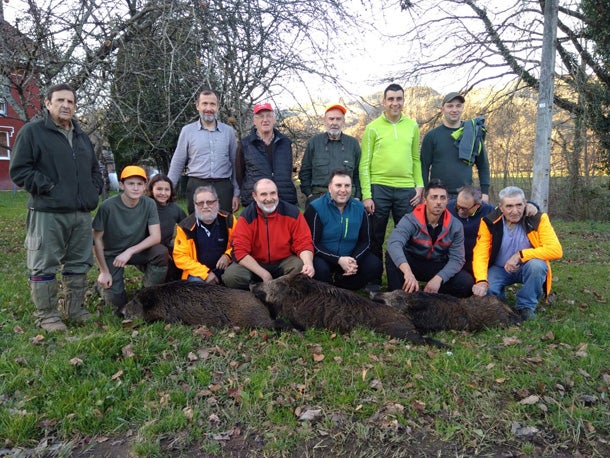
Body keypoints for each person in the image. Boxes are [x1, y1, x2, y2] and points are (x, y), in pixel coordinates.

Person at [9, 83, 103, 332]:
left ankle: (74, 310)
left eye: (70, 102)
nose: (66, 105)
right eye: (60, 100)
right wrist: (50, 188)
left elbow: (95, 169)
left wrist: (94, 190)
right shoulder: (33, 132)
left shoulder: (82, 137)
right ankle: (47, 315)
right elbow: (20, 170)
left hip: (80, 214)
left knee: (78, 264)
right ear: (47, 103)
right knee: (44, 264)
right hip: (47, 212)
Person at [359, 83, 424, 288]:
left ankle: (401, 280)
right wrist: (367, 194)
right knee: (375, 235)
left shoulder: (412, 126)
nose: (395, 103)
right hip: (379, 187)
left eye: (399, 99)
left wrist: (420, 186)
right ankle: (374, 279)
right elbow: (364, 164)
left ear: (403, 100)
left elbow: (415, 159)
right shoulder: (372, 128)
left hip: (406, 188)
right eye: (391, 99)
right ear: (384, 101)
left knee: (406, 235)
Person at [471, 186, 563, 321]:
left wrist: (520, 255)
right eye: (509, 206)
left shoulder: (538, 219)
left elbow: (556, 250)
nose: (515, 211)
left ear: (525, 203)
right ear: (500, 207)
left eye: (519, 205)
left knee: (538, 266)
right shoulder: (489, 222)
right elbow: (480, 253)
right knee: (488, 290)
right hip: (499, 268)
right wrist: (481, 280)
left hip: (527, 266)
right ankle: (501, 304)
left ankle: (526, 306)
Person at [93, 166, 169, 309]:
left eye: (140, 184)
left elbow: (155, 236)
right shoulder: (107, 207)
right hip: (113, 255)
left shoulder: (149, 204)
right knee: (116, 303)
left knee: (161, 252)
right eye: (131, 184)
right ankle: (100, 286)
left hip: (136, 251)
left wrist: (130, 251)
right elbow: (95, 239)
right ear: (122, 185)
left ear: (145, 186)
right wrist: (103, 271)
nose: (135, 188)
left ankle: (148, 293)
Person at [386, 179, 473, 297]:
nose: (438, 202)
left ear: (447, 201)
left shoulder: (455, 226)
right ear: (425, 200)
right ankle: (398, 296)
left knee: (466, 282)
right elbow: (393, 243)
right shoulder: (411, 219)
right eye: (434, 197)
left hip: (437, 264)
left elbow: (457, 259)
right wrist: (407, 272)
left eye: (442, 198)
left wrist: (439, 278)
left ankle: (431, 295)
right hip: (412, 262)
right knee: (392, 254)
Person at [222, 178, 314, 289]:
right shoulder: (247, 217)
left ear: (277, 194)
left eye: (273, 193)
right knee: (231, 276)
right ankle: (252, 297)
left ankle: (286, 297)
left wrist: (308, 263)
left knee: (300, 267)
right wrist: (264, 274)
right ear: (255, 196)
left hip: (283, 261)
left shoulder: (292, 213)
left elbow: (303, 242)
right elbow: (239, 251)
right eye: (263, 194)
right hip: (255, 263)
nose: (269, 199)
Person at [304, 170, 382, 291]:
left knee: (374, 265)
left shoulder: (360, 208)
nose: (343, 190)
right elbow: (313, 243)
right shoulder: (315, 208)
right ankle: (327, 288)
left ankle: (342, 284)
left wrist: (353, 261)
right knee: (320, 270)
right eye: (338, 185)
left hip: (350, 256)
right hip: (324, 257)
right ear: (330, 187)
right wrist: (338, 259)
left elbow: (366, 241)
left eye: (347, 185)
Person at [168, 88, 240, 214]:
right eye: (204, 103)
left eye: (212, 104)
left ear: (218, 107)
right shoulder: (187, 131)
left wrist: (237, 193)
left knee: (224, 227)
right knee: (196, 227)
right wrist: (167, 189)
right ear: (197, 106)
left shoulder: (228, 132)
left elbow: (235, 163)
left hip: (223, 187)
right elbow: (178, 162)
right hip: (196, 186)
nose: (208, 108)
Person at [421, 92, 491, 201]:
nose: (454, 110)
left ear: (462, 108)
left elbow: (483, 165)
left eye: (458, 106)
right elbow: (424, 167)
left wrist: (485, 192)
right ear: (442, 109)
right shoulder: (432, 136)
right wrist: (425, 192)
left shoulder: (472, 134)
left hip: (465, 196)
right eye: (450, 106)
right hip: (438, 196)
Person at [236, 102, 298, 207]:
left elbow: (288, 170)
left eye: (269, 116)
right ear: (254, 121)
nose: (265, 120)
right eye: (260, 117)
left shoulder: (285, 143)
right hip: (255, 202)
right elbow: (239, 174)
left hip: (284, 199)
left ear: (274, 119)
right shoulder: (245, 144)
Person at [299, 103, 361, 206]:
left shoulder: (353, 143)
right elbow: (305, 170)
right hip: (319, 197)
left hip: (347, 199)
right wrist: (309, 195)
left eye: (338, 119)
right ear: (325, 121)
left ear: (343, 122)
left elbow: (358, 173)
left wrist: (358, 196)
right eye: (331, 119)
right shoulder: (314, 142)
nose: (334, 123)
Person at [173, 185, 236, 284]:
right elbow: (180, 256)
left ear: (217, 202)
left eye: (210, 202)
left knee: (234, 277)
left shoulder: (229, 220)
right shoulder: (185, 227)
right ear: (195, 205)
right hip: (198, 274)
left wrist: (227, 256)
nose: (205, 206)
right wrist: (205, 274)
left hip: (225, 269)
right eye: (200, 203)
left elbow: (238, 244)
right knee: (195, 284)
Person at [146, 174, 187, 281]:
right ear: (151, 189)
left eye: (166, 189)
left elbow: (187, 226)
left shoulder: (174, 208)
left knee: (180, 267)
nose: (163, 193)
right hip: (148, 248)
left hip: (167, 247)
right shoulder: (146, 206)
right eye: (159, 189)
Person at [447, 185, 495, 274]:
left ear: (477, 205)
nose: (460, 211)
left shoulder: (489, 211)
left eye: (464, 209)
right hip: (452, 258)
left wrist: (529, 204)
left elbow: (509, 211)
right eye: (458, 206)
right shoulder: (448, 207)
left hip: (476, 260)